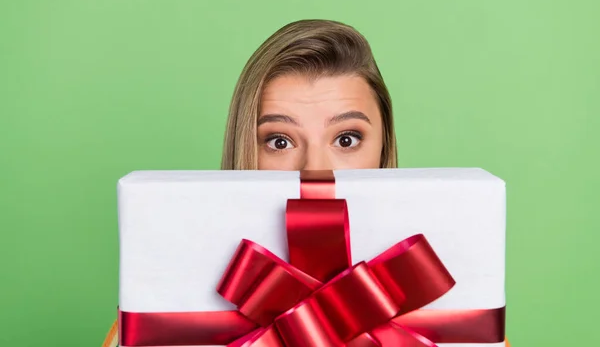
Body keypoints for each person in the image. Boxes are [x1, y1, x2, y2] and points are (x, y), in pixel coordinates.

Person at [102, 19, 509, 346]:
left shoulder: (471, 321)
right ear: (246, 146)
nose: (315, 169)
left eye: (346, 139)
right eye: (279, 141)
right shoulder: (145, 321)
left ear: (384, 148)